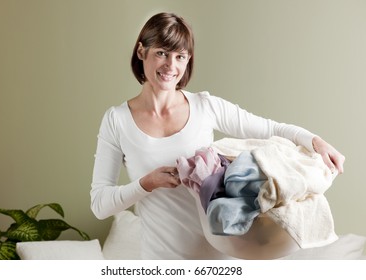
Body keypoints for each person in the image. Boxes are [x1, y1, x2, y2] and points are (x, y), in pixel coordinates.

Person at [90, 12, 345, 260]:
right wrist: (147, 183)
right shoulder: (117, 120)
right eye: (161, 53)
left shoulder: (205, 107)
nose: (171, 65)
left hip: (220, 262)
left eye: (180, 56)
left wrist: (315, 141)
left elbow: (271, 128)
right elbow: (100, 204)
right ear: (141, 52)